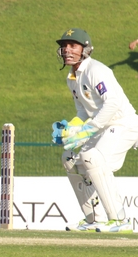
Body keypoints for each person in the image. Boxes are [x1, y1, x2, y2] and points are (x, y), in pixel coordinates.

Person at [54, 28, 138, 233]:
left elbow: (112, 104)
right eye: (64, 46)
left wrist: (87, 131)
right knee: (70, 158)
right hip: (103, 126)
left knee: (92, 157)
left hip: (123, 123)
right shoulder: (72, 78)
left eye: (73, 46)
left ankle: (120, 220)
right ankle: (94, 219)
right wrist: (70, 129)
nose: (67, 50)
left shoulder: (96, 71)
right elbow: (83, 110)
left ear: (85, 49)